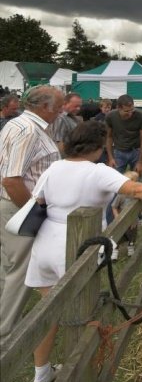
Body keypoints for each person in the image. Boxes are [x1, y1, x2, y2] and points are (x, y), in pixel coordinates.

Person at [24, 120, 142, 382]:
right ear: (98, 147)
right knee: (84, 312)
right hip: (76, 245)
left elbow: (38, 200)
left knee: (48, 313)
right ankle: (83, 376)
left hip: (45, 245)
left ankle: (41, 376)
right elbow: (135, 191)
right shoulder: (97, 171)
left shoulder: (54, 168)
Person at [0, 85, 63, 339]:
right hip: (15, 205)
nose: (60, 112)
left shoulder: (19, 125)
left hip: (10, 204)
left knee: (7, 267)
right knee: (22, 270)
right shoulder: (28, 131)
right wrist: (32, 213)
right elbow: (12, 180)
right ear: (44, 107)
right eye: (58, 107)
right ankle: (5, 333)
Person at [105, 95, 142, 178]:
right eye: (126, 111)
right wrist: (110, 158)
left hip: (136, 151)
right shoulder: (110, 116)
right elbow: (109, 137)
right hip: (119, 152)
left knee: (137, 181)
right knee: (116, 181)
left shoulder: (141, 116)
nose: (130, 113)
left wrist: (141, 162)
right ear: (118, 108)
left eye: (132, 110)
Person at [112, 170, 139, 257]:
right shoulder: (121, 196)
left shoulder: (136, 196)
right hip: (121, 220)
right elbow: (114, 206)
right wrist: (117, 216)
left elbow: (138, 208)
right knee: (118, 237)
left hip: (132, 221)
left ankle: (130, 249)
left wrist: (136, 219)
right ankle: (114, 253)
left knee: (132, 235)